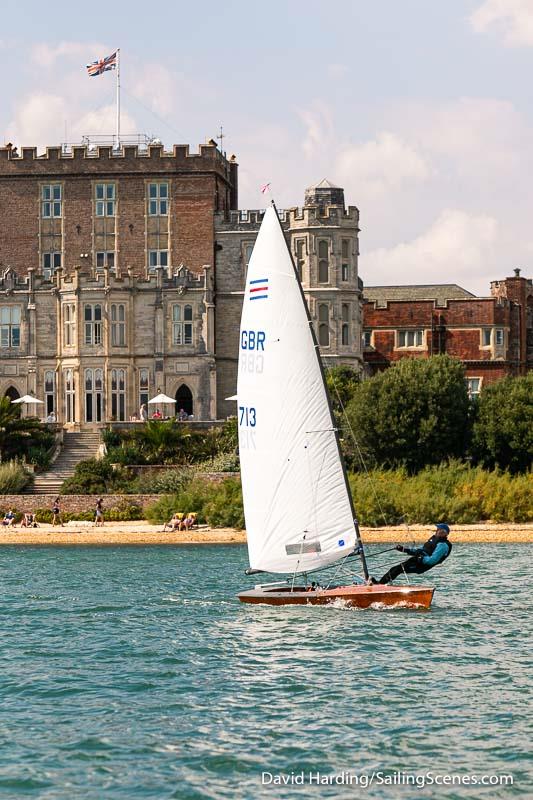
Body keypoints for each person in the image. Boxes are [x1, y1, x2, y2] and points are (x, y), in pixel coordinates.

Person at [374, 523, 452, 585]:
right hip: (417, 560)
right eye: (437, 529)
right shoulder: (434, 540)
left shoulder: (442, 545)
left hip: (422, 565)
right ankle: (379, 584)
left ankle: (379, 585)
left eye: (438, 529)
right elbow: (420, 550)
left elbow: (432, 560)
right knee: (394, 569)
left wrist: (421, 558)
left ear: (443, 532)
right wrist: (404, 550)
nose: (436, 531)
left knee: (398, 569)